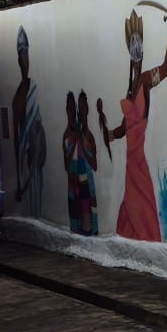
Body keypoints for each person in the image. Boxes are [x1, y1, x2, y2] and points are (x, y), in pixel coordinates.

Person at [104, 5, 167, 242]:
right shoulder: (131, 87)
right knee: (132, 204)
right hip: (130, 160)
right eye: (133, 44)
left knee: (142, 204)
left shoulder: (146, 80)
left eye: (139, 44)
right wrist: (111, 135)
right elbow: (126, 127)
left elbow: (166, 69)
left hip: (138, 159)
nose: (136, 49)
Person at [11, 27, 45, 215]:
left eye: (26, 54)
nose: (24, 59)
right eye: (22, 55)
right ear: (18, 59)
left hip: (36, 157)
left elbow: (39, 127)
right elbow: (16, 139)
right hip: (26, 162)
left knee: (38, 196)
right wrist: (17, 180)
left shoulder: (35, 88)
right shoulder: (16, 98)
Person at [63, 91, 98, 235]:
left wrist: (83, 142)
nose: (78, 113)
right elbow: (66, 166)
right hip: (74, 185)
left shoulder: (89, 137)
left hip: (86, 186)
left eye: (82, 108)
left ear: (87, 110)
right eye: (75, 109)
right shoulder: (67, 136)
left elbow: (95, 166)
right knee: (76, 223)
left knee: (87, 224)